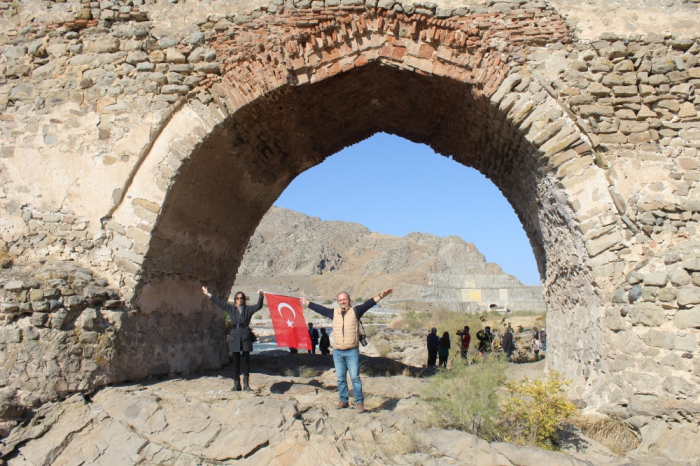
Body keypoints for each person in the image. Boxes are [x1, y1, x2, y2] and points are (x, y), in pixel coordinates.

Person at [301, 288, 393, 413]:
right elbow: (320, 309)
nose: (343, 302)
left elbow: (368, 303)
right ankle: (343, 400)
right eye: (340, 300)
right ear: (338, 301)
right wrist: (307, 302)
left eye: (345, 299)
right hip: (338, 352)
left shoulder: (356, 311)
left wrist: (382, 295)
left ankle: (359, 402)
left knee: (355, 377)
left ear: (349, 300)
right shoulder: (334, 313)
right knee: (340, 377)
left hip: (352, 351)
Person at [202, 287, 264, 392]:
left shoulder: (248, 309)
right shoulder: (231, 308)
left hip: (245, 334)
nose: (239, 299)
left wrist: (261, 296)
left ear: (244, 300)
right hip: (235, 334)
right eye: (237, 298)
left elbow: (258, 306)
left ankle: (246, 384)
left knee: (245, 360)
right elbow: (220, 302)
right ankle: (236, 384)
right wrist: (208, 294)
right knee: (236, 361)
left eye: (241, 298)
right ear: (235, 300)